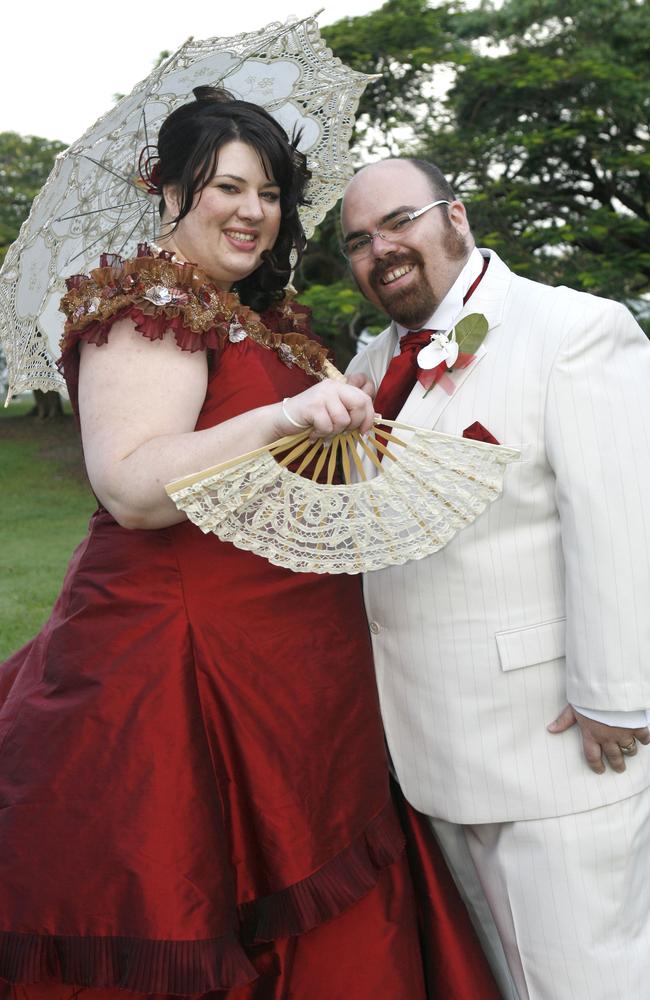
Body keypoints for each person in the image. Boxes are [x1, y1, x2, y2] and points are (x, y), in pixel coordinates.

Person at [0, 89, 441, 1000]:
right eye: (227, 187)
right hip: (180, 667)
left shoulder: (245, 310)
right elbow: (130, 485)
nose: (254, 212)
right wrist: (284, 413)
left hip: (288, 663)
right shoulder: (148, 299)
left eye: (271, 192)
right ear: (164, 188)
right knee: (189, 894)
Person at [343, 156, 650, 1000]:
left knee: (588, 983)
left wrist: (616, 698)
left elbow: (621, 520)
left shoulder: (574, 330)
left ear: (457, 216)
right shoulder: (368, 368)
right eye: (360, 241)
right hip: (430, 754)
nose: (382, 249)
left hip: (557, 749)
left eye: (400, 221)